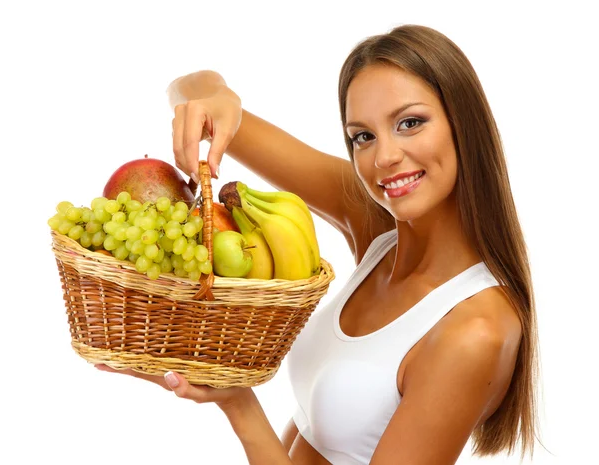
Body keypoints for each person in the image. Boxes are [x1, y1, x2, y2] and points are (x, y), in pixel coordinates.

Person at [96, 24, 540, 464]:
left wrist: (238, 404)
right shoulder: (379, 232)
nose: (384, 157)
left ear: (464, 123)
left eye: (410, 123)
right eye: (362, 136)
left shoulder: (474, 330)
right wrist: (220, 97)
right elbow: (189, 88)